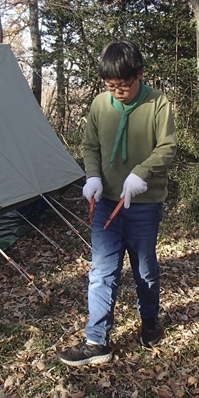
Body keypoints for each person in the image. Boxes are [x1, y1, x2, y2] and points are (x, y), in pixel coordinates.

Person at [57, 41, 177, 367]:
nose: (118, 92)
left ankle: (150, 320)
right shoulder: (100, 105)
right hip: (107, 203)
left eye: (124, 86)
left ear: (140, 74)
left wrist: (142, 173)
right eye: (112, 86)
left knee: (144, 268)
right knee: (101, 272)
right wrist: (92, 176)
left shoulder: (157, 103)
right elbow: (90, 145)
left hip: (144, 203)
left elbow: (167, 147)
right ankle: (97, 340)